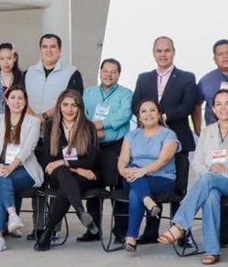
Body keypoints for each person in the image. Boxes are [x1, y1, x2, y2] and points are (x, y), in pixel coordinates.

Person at [159, 90, 228, 264]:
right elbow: (197, 161)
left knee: (209, 180)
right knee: (211, 194)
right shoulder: (207, 132)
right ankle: (213, 250)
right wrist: (209, 171)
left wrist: (227, 169)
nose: (223, 108)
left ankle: (180, 225)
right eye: (218, 104)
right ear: (213, 108)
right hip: (211, 179)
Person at [131, 36, 200, 224]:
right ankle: (151, 231)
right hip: (150, 141)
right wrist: (148, 117)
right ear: (153, 53)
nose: (163, 55)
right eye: (159, 51)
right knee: (151, 183)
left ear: (174, 52)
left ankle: (178, 229)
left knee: (179, 189)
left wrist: (161, 117)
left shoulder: (187, 77)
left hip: (178, 139)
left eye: (167, 50)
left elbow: (187, 106)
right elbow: (135, 105)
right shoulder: (144, 78)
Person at [34, 88, 99, 251]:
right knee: (63, 173)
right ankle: (80, 210)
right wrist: (77, 168)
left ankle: (47, 234)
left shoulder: (89, 127)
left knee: (66, 187)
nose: (69, 109)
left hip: (81, 178)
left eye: (74, 105)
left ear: (80, 108)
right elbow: (50, 160)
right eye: (65, 105)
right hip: (57, 176)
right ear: (59, 106)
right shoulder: (50, 127)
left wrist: (66, 164)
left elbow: (90, 160)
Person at [0, 83, 42, 253]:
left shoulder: (33, 122)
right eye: (13, 98)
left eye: (20, 98)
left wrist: (10, 168)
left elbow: (27, 149)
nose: (16, 101)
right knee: (0, 178)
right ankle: (12, 215)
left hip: (24, 169)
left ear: (25, 102)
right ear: (7, 101)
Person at [118, 97, 180, 255]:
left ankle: (131, 238)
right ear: (139, 116)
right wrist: (123, 171)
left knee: (135, 192)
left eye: (152, 110)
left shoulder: (169, 134)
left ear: (159, 114)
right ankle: (148, 200)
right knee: (131, 167)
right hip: (133, 177)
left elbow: (164, 159)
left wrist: (141, 171)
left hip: (162, 178)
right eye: (143, 111)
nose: (148, 114)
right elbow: (123, 160)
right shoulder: (132, 135)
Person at [83, 57, 134, 241]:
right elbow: (83, 115)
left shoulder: (126, 94)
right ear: (100, 71)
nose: (109, 75)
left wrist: (100, 126)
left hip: (117, 147)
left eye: (113, 72)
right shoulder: (88, 93)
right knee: (93, 185)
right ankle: (93, 230)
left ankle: (120, 232)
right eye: (105, 71)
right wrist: (93, 131)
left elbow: (123, 116)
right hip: (93, 146)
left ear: (118, 74)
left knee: (118, 189)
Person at [24, 34, 82, 119]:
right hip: (30, 124)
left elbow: (73, 102)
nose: (48, 50)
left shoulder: (72, 73)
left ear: (60, 49)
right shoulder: (28, 73)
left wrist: (44, 116)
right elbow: (20, 98)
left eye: (53, 47)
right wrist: (33, 117)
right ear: (40, 50)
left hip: (58, 126)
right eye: (44, 47)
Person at [198, 40, 228, 124]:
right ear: (214, 59)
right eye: (220, 54)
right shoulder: (206, 80)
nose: (225, 56)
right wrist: (198, 129)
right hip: (214, 132)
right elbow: (197, 104)